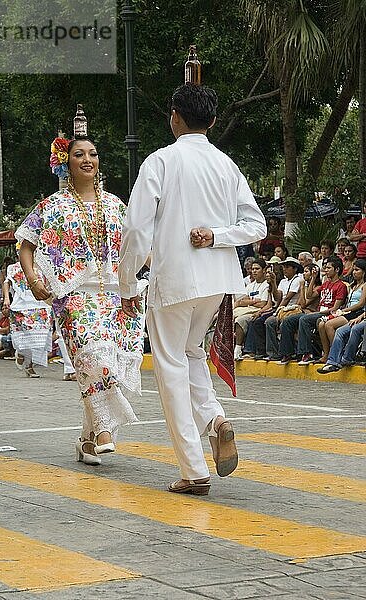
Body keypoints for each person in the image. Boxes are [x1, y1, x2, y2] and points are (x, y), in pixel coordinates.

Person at [118, 84, 267, 495]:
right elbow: (257, 226)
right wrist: (217, 236)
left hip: (174, 278)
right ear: (213, 121)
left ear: (174, 117)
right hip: (216, 280)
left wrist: (128, 281)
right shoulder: (227, 165)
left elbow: (135, 228)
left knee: (170, 366)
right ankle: (215, 421)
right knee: (191, 353)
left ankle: (193, 468)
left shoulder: (161, 161)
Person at [16, 136, 146, 465]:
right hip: (73, 295)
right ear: (66, 162)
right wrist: (33, 279)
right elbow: (25, 244)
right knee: (93, 353)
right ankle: (103, 428)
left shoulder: (116, 205)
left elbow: (138, 246)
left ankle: (87, 441)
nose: (87, 159)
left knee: (106, 362)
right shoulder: (53, 206)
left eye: (93, 153)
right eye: (79, 154)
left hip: (115, 295)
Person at [278, 257, 347, 364]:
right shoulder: (325, 284)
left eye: (329, 268)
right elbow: (309, 295)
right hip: (318, 313)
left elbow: (335, 308)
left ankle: (306, 354)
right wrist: (313, 278)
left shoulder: (341, 286)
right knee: (288, 320)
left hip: (328, 314)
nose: (326, 270)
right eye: (326, 268)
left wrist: (318, 313)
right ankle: (287, 353)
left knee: (305, 319)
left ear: (337, 269)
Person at [3, 259, 53, 378]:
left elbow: (48, 284)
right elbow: (7, 282)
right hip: (21, 304)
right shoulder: (14, 267)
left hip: (39, 304)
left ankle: (29, 363)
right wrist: (6, 298)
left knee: (38, 336)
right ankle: (22, 355)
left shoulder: (42, 266)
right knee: (25, 334)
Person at [252, 257, 302, 360]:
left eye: (287, 267)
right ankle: (272, 353)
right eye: (283, 267)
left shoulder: (298, 279)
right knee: (266, 321)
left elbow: (287, 298)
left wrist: (277, 311)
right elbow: (278, 297)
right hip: (282, 309)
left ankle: (286, 352)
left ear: (295, 269)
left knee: (277, 322)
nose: (284, 269)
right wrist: (274, 282)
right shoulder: (283, 281)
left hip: (292, 310)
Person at [317, 259, 366, 362]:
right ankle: (328, 353)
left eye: (357, 270)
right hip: (347, 311)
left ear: (364, 272)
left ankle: (338, 353)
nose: (354, 272)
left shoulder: (364, 285)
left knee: (329, 325)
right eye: (353, 270)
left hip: (357, 312)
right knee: (321, 324)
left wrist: (344, 310)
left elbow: (361, 303)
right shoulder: (352, 285)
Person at [233, 258, 269, 360]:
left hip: (256, 311)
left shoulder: (266, 285)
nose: (254, 271)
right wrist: (254, 301)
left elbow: (263, 304)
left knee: (240, 320)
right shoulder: (249, 285)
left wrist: (249, 301)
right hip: (247, 309)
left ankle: (238, 349)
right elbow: (241, 301)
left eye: (257, 269)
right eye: (253, 269)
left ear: (264, 270)